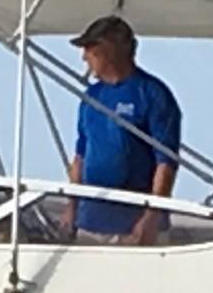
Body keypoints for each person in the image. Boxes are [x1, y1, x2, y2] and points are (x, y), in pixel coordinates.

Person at [64, 16, 183, 241]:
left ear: (106, 50)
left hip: (134, 223)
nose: (84, 57)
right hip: (91, 221)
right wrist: (71, 206)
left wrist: (151, 217)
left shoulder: (152, 94)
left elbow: (165, 162)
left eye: (89, 49)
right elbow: (80, 156)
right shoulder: (92, 97)